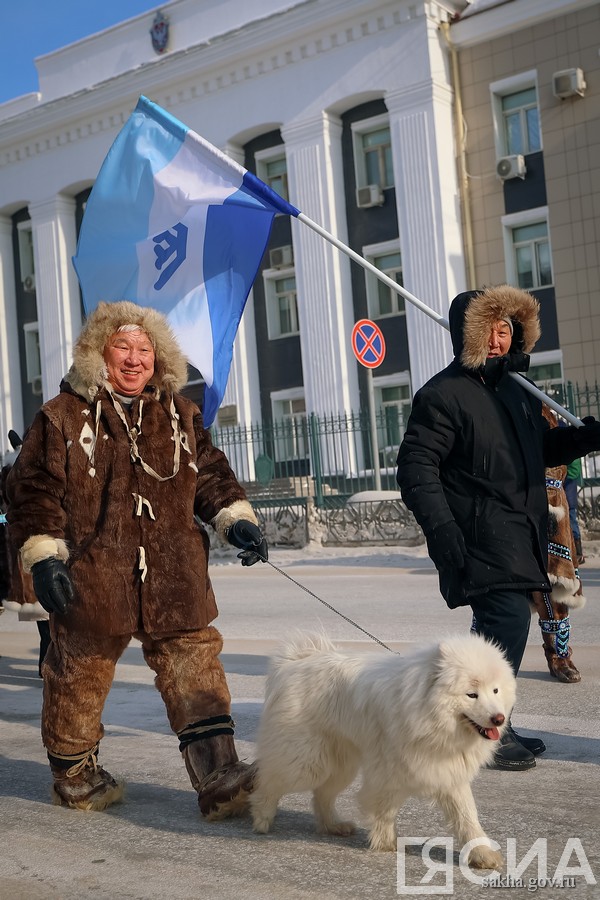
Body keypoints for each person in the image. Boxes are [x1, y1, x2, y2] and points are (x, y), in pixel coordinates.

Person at [6, 301, 268, 816]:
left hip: (175, 573)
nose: (133, 359)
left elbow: (210, 474)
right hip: (94, 572)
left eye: (144, 350)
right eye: (122, 347)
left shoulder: (180, 413)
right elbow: (33, 491)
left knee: (195, 665)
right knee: (80, 671)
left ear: (158, 357)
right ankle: (77, 777)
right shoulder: (60, 417)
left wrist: (236, 519)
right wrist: (45, 558)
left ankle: (219, 775)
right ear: (98, 354)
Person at [396, 285, 600, 771]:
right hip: (478, 532)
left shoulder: (518, 392)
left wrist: (583, 439)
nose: (496, 339)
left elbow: (541, 450)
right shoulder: (444, 394)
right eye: (485, 329)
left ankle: (493, 725)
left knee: (501, 637)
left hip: (520, 531)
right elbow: (415, 466)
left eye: (505, 329)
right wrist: (442, 530)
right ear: (464, 335)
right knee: (504, 623)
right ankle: (482, 734)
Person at [529, 406, 585, 683]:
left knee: (554, 590)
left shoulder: (539, 408)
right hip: (504, 510)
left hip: (550, 507)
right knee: (497, 600)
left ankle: (559, 655)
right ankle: (483, 663)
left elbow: (557, 461)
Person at [564, 456, 585, 565]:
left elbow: (573, 468)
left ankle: (578, 553)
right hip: (567, 478)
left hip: (568, 479)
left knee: (571, 516)